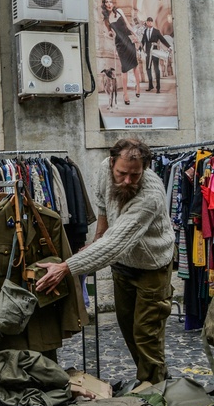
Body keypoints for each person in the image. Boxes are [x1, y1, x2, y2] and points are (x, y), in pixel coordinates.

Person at [35, 138, 175, 385]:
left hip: (152, 268)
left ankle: (155, 391)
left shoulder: (150, 195)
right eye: (122, 173)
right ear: (112, 163)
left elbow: (115, 244)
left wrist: (66, 267)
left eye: (135, 174)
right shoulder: (104, 169)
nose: (128, 181)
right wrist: (97, 237)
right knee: (129, 329)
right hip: (123, 266)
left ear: (145, 168)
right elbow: (103, 205)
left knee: (146, 334)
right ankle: (155, 378)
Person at [100, 0, 140, 106]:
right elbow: (109, 31)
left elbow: (127, 25)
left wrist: (136, 36)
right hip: (120, 43)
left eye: (110, 2)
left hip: (128, 39)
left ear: (113, 3)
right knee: (124, 68)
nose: (109, 4)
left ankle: (138, 86)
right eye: (106, 2)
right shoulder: (106, 19)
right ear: (104, 5)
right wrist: (110, 33)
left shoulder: (119, 11)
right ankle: (125, 94)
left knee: (135, 64)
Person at [141, 16, 171, 94]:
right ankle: (150, 85)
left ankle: (158, 87)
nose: (149, 23)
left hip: (155, 52)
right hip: (148, 52)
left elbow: (162, 39)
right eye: (148, 21)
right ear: (147, 22)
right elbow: (142, 42)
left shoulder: (156, 31)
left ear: (152, 23)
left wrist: (169, 46)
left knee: (156, 68)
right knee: (148, 68)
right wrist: (139, 50)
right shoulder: (144, 31)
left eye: (151, 21)